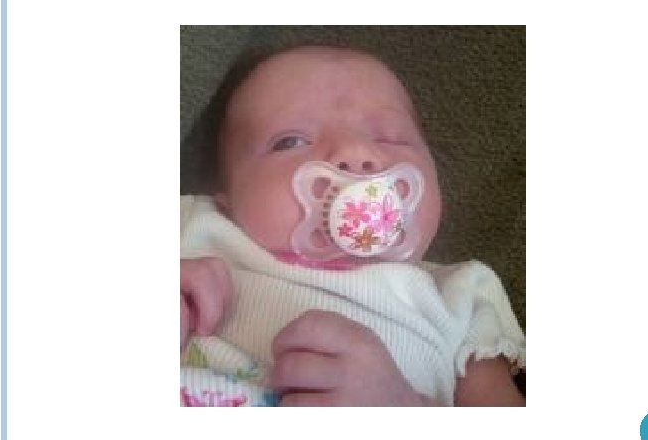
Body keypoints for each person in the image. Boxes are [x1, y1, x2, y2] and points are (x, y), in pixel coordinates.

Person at [180, 45, 526, 406]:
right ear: (227, 199)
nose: (354, 153)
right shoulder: (196, 226)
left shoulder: (463, 297)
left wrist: (405, 407)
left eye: (390, 137)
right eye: (291, 141)